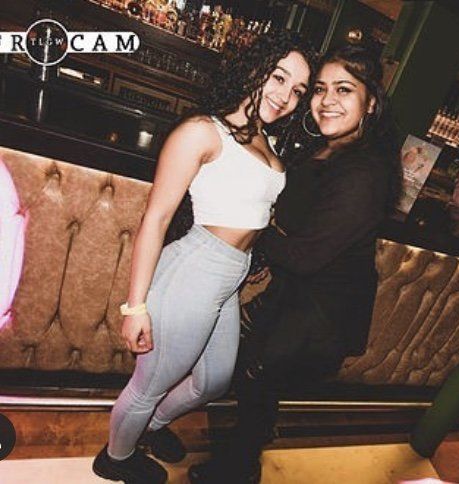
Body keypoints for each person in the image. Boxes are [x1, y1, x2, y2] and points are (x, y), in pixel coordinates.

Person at [92, 31, 315, 484]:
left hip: (228, 280)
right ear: (254, 69)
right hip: (193, 272)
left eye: (298, 90)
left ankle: (150, 428)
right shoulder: (202, 131)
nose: (286, 96)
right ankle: (115, 457)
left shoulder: (267, 143)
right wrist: (135, 306)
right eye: (278, 78)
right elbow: (155, 218)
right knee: (149, 385)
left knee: (213, 381)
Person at [188, 43, 401, 484]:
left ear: (371, 103)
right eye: (319, 89)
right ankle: (248, 447)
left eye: (344, 89)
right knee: (256, 382)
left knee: (256, 376)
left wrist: (249, 228)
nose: (326, 100)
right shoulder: (329, 150)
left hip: (319, 310)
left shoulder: (364, 170)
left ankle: (237, 468)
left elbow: (305, 255)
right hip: (296, 296)